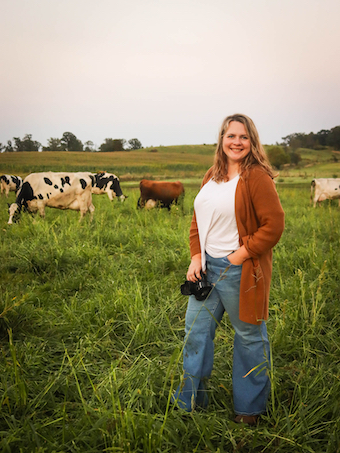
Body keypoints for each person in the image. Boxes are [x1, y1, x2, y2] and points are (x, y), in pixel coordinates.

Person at [172, 113, 285, 425]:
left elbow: (273, 225)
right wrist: (196, 256)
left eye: (243, 137)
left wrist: (241, 255)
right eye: (231, 136)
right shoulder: (212, 175)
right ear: (221, 140)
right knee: (195, 333)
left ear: (252, 142)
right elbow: (198, 219)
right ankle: (191, 402)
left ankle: (250, 411)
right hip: (206, 269)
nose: (237, 142)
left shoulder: (257, 177)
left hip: (240, 270)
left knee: (249, 336)